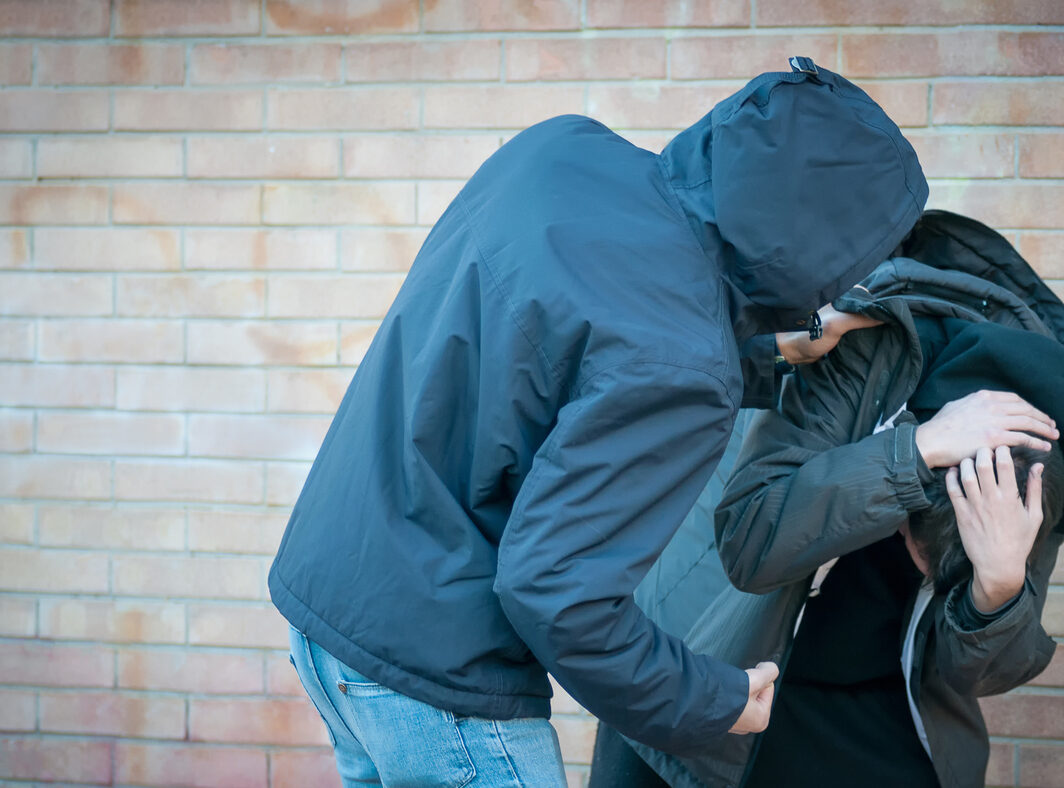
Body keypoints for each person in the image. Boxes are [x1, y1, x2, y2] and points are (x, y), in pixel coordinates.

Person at [268, 58, 929, 786]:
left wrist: (763, 353)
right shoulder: (681, 361)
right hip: (438, 679)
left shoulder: (558, 149)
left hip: (330, 613)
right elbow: (557, 594)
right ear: (826, 236)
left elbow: (571, 349)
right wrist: (715, 701)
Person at [591, 210, 1064, 788]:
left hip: (885, 708)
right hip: (713, 644)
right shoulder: (853, 344)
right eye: (914, 542)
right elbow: (752, 545)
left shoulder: (1034, 454)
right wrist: (912, 454)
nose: (913, 560)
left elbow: (977, 671)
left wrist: (996, 591)